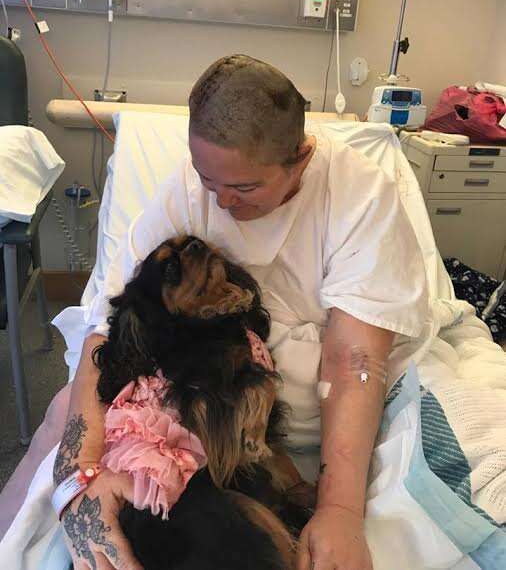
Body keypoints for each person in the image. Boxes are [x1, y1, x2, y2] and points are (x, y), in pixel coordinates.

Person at [1, 54, 428, 570]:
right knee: (63, 410)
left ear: (302, 157)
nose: (222, 203)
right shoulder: (190, 185)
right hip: (187, 385)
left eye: (245, 188)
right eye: (208, 181)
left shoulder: (361, 196)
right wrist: (79, 478)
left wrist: (339, 509)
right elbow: (107, 323)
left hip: (294, 392)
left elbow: (354, 360)